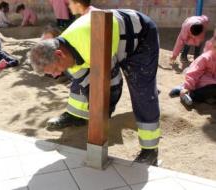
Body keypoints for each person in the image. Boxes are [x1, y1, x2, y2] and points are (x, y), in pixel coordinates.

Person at [29, 9, 161, 165]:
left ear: (59, 54)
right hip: (112, 39)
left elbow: (113, 85)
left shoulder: (90, 45)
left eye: (55, 70)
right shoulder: (65, 50)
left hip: (141, 37)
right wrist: (92, 108)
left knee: (142, 92)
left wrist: (101, 116)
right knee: (79, 83)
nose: (57, 75)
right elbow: (85, 82)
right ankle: (76, 116)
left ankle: (150, 151)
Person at [170, 34, 216, 106]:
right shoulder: (205, 58)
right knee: (210, 90)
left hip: (212, 80)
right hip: (201, 80)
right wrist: (187, 87)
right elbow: (194, 73)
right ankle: (189, 93)